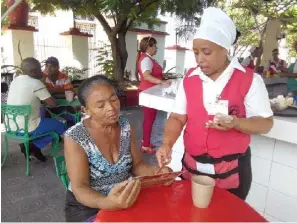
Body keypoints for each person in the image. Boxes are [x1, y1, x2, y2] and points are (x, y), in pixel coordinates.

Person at [156, 7, 274, 200]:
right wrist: (167, 144)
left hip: (232, 170)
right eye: (195, 53)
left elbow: (265, 123)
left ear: (224, 49)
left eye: (207, 52)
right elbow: (177, 116)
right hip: (192, 166)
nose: (200, 59)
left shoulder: (249, 80)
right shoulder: (190, 78)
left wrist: (236, 123)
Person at [64, 75, 172, 222]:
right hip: (88, 207)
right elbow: (80, 187)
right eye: (101, 105)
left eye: (114, 99)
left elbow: (138, 166)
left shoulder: (126, 126)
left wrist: (157, 172)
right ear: (86, 110)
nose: (111, 108)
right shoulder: (75, 136)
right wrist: (107, 203)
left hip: (125, 197)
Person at [7, 57, 66, 161]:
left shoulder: (15, 80)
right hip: (27, 127)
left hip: (12, 126)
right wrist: (51, 95)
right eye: (40, 69)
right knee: (61, 127)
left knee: (47, 123)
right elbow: (52, 104)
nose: (43, 71)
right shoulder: (36, 83)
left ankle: (33, 148)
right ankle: (33, 147)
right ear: (33, 71)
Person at [137, 37, 171, 154]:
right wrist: (161, 81)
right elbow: (146, 76)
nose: (156, 48)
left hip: (151, 92)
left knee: (150, 119)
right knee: (149, 119)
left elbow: (153, 73)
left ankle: (145, 141)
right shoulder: (146, 59)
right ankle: (145, 145)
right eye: (155, 46)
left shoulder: (149, 59)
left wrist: (162, 75)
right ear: (149, 47)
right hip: (148, 92)